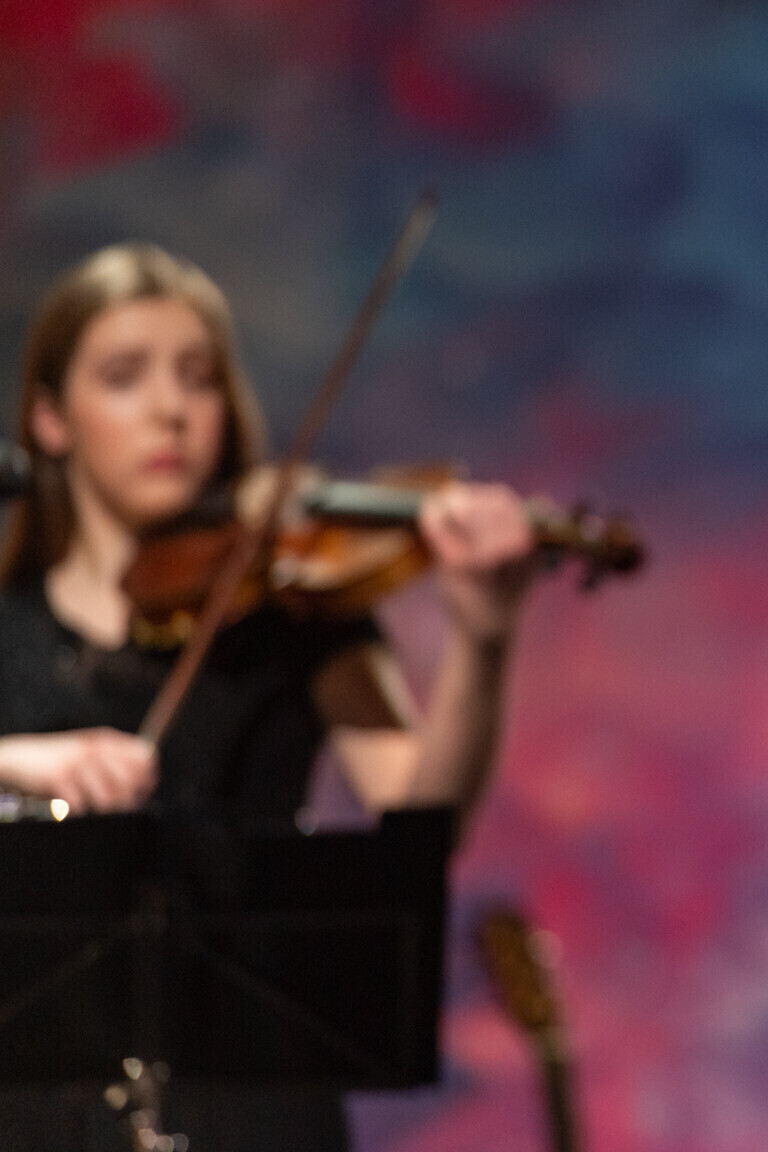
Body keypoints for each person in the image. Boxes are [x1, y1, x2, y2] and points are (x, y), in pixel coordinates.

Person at [0, 241, 538, 1149]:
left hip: (251, 1103)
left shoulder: (289, 611)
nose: (170, 411)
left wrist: (483, 639)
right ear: (52, 420)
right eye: (125, 378)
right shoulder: (7, 627)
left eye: (198, 378)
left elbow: (424, 819)